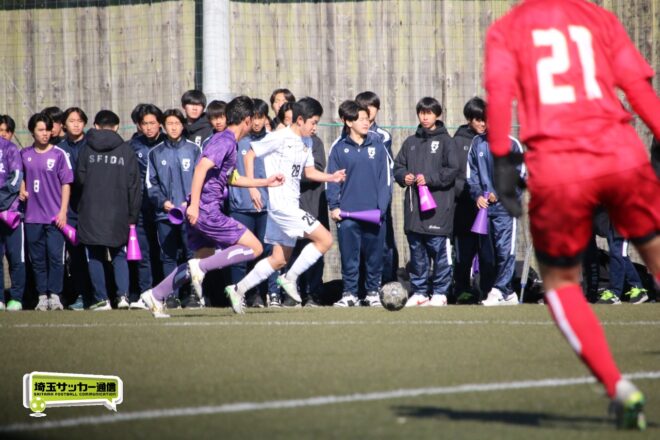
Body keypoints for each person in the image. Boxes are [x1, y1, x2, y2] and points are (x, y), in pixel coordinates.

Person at [485, 0, 660, 429]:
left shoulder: (507, 29)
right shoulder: (599, 18)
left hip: (558, 168)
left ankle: (618, 388)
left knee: (561, 283)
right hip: (620, 154)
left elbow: (500, 95)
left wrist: (502, 160)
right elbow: (638, 89)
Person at [140, 96, 284, 318]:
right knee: (255, 248)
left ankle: (156, 294)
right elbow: (201, 169)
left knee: (201, 257)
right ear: (247, 120)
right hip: (206, 209)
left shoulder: (227, 141)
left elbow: (231, 178)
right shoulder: (225, 140)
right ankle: (202, 270)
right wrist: (195, 206)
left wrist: (265, 182)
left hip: (201, 208)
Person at [224, 97, 346, 313]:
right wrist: (252, 186)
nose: (315, 127)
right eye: (313, 122)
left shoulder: (308, 142)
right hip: (281, 207)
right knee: (325, 239)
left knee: (279, 259)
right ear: (300, 120)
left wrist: (332, 177)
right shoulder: (279, 137)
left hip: (290, 205)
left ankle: (237, 289)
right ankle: (290, 278)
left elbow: (309, 172)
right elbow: (250, 155)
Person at [393, 97, 459, 307]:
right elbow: (398, 166)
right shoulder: (410, 142)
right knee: (417, 252)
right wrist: (404, 177)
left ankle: (440, 292)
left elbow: (452, 170)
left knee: (439, 251)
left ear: (437, 115)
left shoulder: (447, 142)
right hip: (414, 211)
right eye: (421, 113)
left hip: (438, 209)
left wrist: (429, 179)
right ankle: (420, 292)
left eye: (429, 113)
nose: (424, 117)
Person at [326, 100, 390, 307]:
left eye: (367, 119)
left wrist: (381, 209)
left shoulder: (378, 146)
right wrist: (334, 206)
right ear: (348, 121)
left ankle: (372, 293)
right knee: (349, 257)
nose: (366, 122)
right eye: (361, 119)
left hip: (374, 214)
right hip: (347, 215)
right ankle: (349, 294)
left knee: (374, 257)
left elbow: (386, 180)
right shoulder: (338, 148)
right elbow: (332, 180)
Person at [76, 110, 142, 310]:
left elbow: (80, 179)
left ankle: (102, 299)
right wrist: (133, 216)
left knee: (95, 256)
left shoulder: (86, 149)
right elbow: (134, 186)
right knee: (119, 255)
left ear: (95, 126)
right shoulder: (126, 151)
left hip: (91, 212)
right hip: (119, 212)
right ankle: (123, 297)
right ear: (116, 127)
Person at [466, 99, 525, 306]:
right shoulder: (477, 143)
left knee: (504, 250)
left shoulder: (512, 144)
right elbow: (471, 174)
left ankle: (498, 290)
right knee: (488, 254)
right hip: (484, 211)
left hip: (505, 210)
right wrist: (477, 195)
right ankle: (508, 294)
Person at [146, 109, 202, 309]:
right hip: (165, 215)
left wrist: (191, 201)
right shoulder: (155, 152)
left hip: (190, 213)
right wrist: (163, 203)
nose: (173, 127)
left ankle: (195, 295)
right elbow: (151, 184)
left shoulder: (194, 150)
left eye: (177, 123)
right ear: (163, 126)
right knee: (168, 256)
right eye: (169, 123)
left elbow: (202, 180)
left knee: (192, 255)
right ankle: (171, 295)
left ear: (183, 125)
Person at [227, 98, 280, 308]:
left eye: (261, 117)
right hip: (241, 207)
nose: (257, 122)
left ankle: (269, 294)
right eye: (254, 118)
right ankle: (239, 293)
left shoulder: (273, 141)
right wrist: (249, 190)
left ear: (266, 118)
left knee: (269, 252)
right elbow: (230, 174)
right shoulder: (237, 141)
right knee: (241, 254)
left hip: (268, 208)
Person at [20, 112, 73, 311]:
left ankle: (55, 295)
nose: (45, 134)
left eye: (48, 130)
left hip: (55, 218)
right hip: (32, 217)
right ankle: (42, 296)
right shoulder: (24, 154)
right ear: (32, 132)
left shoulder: (59, 154)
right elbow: (19, 176)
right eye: (40, 130)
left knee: (56, 258)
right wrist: (21, 189)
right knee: (37, 259)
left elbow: (66, 183)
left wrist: (63, 211)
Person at [354, 91, 398, 285]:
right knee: (358, 242)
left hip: (378, 197)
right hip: (357, 196)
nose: (368, 111)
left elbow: (387, 167)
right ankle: (361, 287)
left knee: (384, 242)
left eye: (372, 107)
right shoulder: (348, 134)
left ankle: (387, 283)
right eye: (364, 107)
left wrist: (383, 198)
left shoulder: (382, 136)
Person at [452, 98, 491, 304]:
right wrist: (472, 195)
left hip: (489, 208)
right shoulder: (458, 142)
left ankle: (488, 290)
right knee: (464, 254)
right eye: (478, 119)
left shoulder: (491, 140)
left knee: (488, 253)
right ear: (469, 119)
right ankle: (462, 290)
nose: (483, 124)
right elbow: (455, 174)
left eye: (485, 119)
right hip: (465, 208)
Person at [128, 104, 165, 309]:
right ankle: (145, 292)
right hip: (140, 206)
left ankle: (167, 292)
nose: (149, 127)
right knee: (143, 253)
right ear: (139, 126)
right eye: (145, 124)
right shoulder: (133, 146)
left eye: (152, 123)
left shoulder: (168, 143)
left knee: (166, 252)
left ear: (160, 123)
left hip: (164, 206)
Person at [58, 107, 91, 310]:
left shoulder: (93, 145)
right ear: (64, 124)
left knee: (95, 254)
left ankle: (101, 294)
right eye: (71, 121)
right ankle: (80, 294)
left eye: (79, 120)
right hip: (69, 210)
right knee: (76, 254)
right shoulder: (59, 149)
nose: (76, 124)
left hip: (93, 208)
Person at [0, 135, 25, 311]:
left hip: (11, 212)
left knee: (16, 257)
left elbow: (16, 179)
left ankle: (16, 298)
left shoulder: (10, 148)